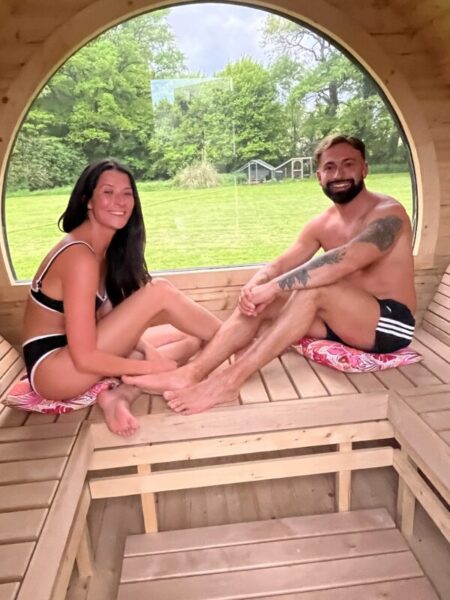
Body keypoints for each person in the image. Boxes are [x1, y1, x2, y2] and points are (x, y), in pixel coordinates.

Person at [123, 134, 416, 414]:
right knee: (261, 301)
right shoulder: (322, 224)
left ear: (364, 169)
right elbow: (277, 266)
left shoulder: (389, 215)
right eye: (330, 167)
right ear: (319, 176)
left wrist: (274, 287)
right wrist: (255, 287)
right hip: (341, 323)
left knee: (315, 289)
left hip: (390, 324)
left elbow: (345, 261)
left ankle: (228, 382)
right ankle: (191, 373)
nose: (339, 173)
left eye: (348, 164)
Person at [22, 159, 221, 434]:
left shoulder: (102, 251)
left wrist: (149, 353)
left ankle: (120, 396)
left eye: (127, 193)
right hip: (53, 372)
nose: (120, 201)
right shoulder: (79, 256)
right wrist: (150, 367)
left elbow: (108, 322)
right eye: (108, 192)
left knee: (190, 336)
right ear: (87, 200)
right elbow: (85, 357)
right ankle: (239, 341)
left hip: (75, 355)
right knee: (160, 292)